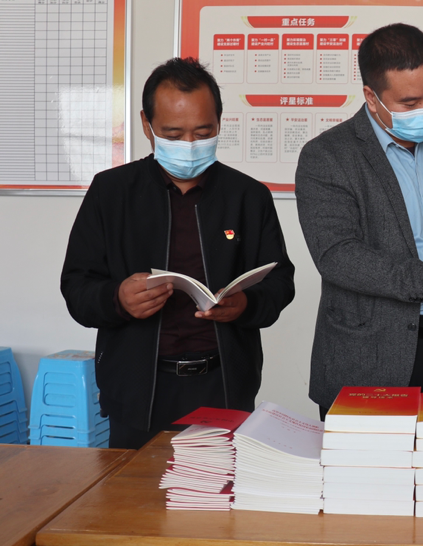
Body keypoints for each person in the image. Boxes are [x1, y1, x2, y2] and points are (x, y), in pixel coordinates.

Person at [60, 58, 295, 449]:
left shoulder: (248, 196)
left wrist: (246, 304)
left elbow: (280, 282)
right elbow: (76, 287)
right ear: (147, 125)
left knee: (219, 487)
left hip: (223, 387)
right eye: (173, 133)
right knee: (134, 489)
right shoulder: (111, 192)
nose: (189, 145)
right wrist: (118, 299)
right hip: (136, 392)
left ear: (219, 123)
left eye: (203, 132)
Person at [295, 23, 423, 419]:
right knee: (365, 463)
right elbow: (338, 257)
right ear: (372, 98)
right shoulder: (328, 156)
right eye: (410, 102)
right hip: (366, 357)